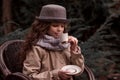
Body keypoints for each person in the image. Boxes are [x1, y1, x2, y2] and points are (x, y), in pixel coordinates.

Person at [20, 4, 84, 80]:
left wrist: (74, 51)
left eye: (62, 26)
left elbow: (79, 71)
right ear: (44, 26)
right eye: (55, 25)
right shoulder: (36, 48)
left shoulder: (66, 45)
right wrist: (56, 74)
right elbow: (29, 76)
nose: (59, 29)